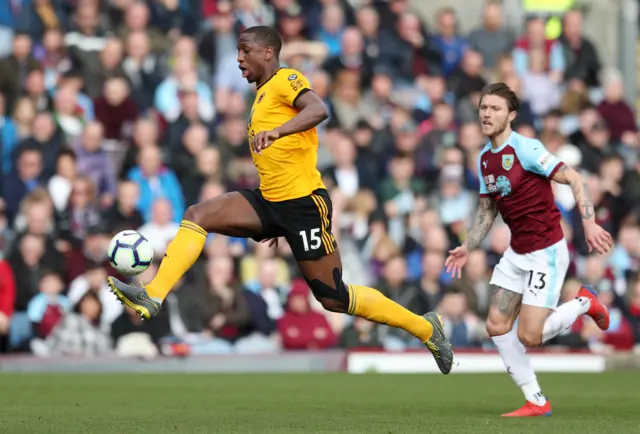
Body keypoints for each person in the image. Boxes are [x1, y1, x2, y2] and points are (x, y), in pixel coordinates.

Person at [106, 26, 453, 374]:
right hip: (270, 202)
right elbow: (276, 159)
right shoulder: (259, 95)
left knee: (333, 297)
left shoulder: (287, 78)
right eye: (238, 51)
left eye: (245, 51)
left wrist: (279, 131)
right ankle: (153, 295)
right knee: (199, 213)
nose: (239, 58)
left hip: (303, 206)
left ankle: (426, 328)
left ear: (268, 53)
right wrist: (271, 218)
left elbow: (318, 109)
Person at [445, 83, 612, 417]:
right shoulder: (484, 159)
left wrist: (589, 223)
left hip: (546, 252)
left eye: (494, 108)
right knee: (496, 325)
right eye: (483, 107)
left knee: (530, 336)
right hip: (517, 252)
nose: (486, 113)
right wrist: (468, 245)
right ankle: (536, 400)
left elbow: (574, 178)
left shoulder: (527, 149)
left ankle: (584, 302)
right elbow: (487, 211)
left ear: (511, 115)